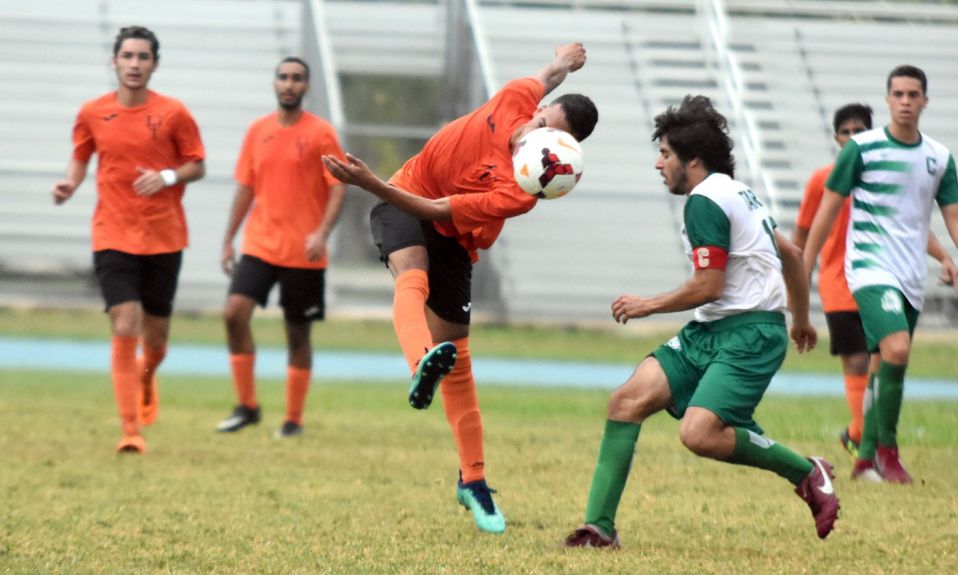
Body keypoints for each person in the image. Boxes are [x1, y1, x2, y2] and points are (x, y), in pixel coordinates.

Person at [321, 43, 598, 534]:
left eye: (547, 134)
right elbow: (547, 76)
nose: (532, 129)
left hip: (447, 227)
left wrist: (368, 183)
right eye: (540, 119)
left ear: (558, 153)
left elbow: (439, 213)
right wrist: (565, 60)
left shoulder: (520, 191)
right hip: (406, 192)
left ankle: (473, 481)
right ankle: (419, 366)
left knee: (459, 359)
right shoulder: (517, 97)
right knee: (412, 274)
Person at [562, 95, 838, 549]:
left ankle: (807, 472)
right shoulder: (738, 192)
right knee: (626, 402)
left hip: (748, 335)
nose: (658, 164)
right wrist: (802, 319)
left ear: (692, 160)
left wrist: (647, 305)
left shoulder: (706, 201)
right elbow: (790, 255)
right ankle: (598, 529)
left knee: (699, 434)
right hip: (712, 330)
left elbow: (709, 285)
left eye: (665, 154)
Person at [802, 65, 958, 484]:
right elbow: (827, 211)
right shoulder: (862, 149)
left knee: (884, 361)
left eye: (913, 94)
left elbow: (955, 216)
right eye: (898, 94)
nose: (905, 101)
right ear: (888, 99)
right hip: (870, 269)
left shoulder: (938, 157)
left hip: (911, 274)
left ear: (925, 100)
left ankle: (864, 459)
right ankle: (888, 453)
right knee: (896, 347)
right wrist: (804, 266)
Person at [51, 26, 206, 454]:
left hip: (164, 236)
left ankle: (147, 374)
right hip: (112, 233)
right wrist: (69, 184)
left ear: (155, 64)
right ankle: (130, 430)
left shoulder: (174, 112)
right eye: (128, 56)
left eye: (143, 57)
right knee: (123, 323)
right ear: (114, 61)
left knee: (154, 341)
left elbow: (197, 165)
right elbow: (81, 156)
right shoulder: (92, 112)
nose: (134, 64)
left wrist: (167, 176)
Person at [793, 103, 958, 459]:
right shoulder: (822, 180)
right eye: (845, 132)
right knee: (856, 361)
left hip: (883, 281)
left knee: (879, 364)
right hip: (838, 285)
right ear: (836, 138)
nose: (852, 137)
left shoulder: (885, 174)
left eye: (859, 131)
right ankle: (862, 437)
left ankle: (862, 437)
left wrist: (944, 256)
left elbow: (910, 226)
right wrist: (798, 275)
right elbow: (804, 231)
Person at [214, 57, 347, 438]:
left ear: (306, 86)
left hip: (303, 252)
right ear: (275, 83)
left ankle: (293, 420)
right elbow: (245, 187)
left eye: (297, 78)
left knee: (297, 334)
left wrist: (321, 232)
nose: (289, 84)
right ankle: (247, 406)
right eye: (283, 77)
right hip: (259, 245)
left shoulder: (321, 133)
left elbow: (339, 187)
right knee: (233, 314)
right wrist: (228, 239)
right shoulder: (258, 131)